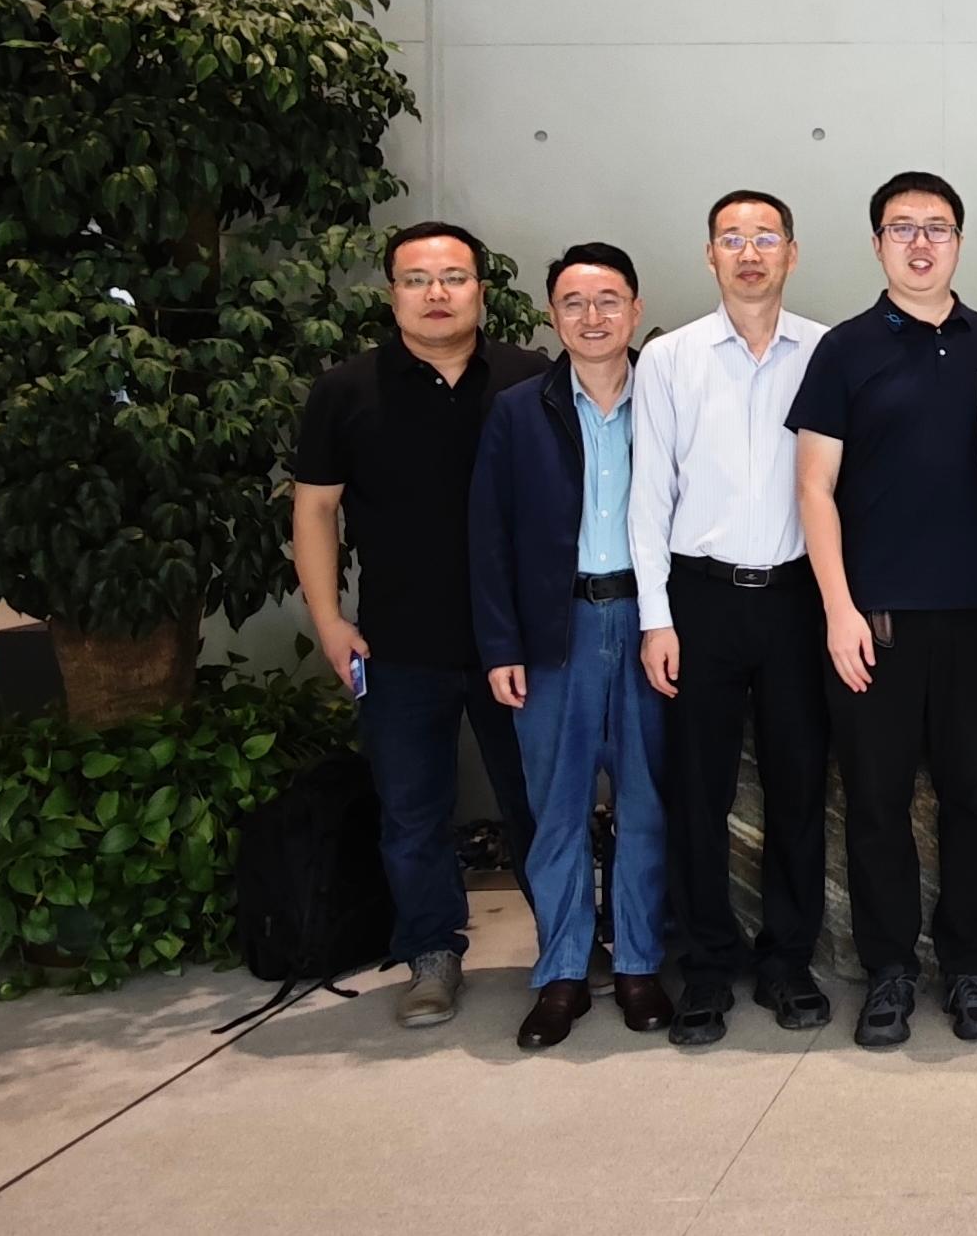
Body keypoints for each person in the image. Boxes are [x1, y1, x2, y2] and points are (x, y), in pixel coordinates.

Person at [289, 221, 546, 1028]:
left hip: (519, 641)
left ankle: (567, 943)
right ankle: (432, 953)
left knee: (539, 803)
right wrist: (329, 621)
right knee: (411, 813)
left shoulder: (530, 377)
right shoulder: (345, 390)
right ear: (392, 292)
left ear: (481, 290)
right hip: (397, 642)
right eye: (416, 279)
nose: (437, 294)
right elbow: (316, 510)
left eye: (454, 278)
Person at [789, 172, 977, 1050]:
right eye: (902, 227)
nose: (921, 243)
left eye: (938, 227)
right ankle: (889, 971)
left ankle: (969, 967)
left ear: (960, 240)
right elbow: (815, 487)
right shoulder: (843, 350)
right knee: (876, 802)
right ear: (877, 242)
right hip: (873, 620)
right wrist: (838, 609)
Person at [631, 190, 832, 1048]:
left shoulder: (826, 352)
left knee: (798, 787)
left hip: (795, 599)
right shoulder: (669, 358)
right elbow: (649, 496)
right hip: (700, 600)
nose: (750, 253)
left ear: (792, 252)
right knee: (697, 791)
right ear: (710, 255)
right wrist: (656, 618)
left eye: (766, 238)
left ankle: (788, 960)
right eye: (732, 239)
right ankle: (707, 964)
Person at [470, 242, 672, 1048]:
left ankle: (640, 963)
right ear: (553, 316)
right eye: (574, 303)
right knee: (554, 809)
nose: (593, 317)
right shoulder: (520, 410)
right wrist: (500, 646)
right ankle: (561, 971)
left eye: (609, 300)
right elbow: (488, 537)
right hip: (555, 632)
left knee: (647, 803)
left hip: (648, 621)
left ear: (636, 309)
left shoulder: (668, 396)